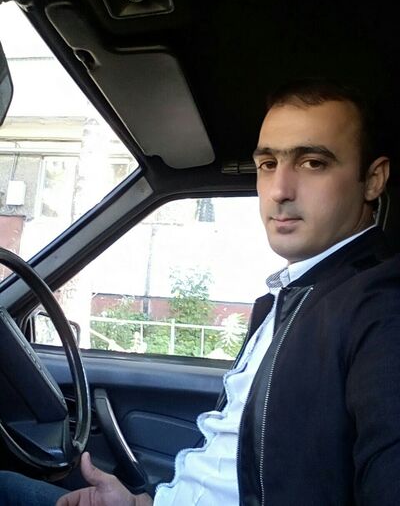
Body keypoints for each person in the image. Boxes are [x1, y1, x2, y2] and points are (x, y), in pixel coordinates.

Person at [0, 77, 399, 505]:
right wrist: (140, 502)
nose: (279, 191)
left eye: (313, 163)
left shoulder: (381, 306)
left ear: (373, 180)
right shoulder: (298, 294)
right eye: (268, 164)